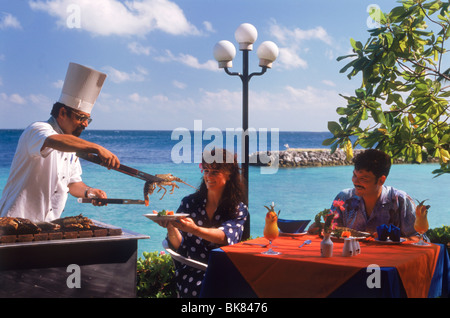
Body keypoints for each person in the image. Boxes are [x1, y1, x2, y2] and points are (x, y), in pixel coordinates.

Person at [0, 62, 120, 222]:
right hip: (12, 223)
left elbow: (72, 184)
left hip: (47, 225)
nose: (85, 124)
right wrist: (97, 148)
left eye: (88, 120)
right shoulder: (37, 129)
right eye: (81, 118)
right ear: (63, 112)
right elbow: (51, 141)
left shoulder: (72, 146)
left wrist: (91, 192)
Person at [154, 148, 248, 298]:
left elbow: (225, 237)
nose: (208, 176)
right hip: (192, 272)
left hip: (223, 272)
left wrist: (195, 229)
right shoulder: (189, 203)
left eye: (215, 172)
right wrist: (171, 227)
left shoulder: (237, 209)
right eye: (206, 170)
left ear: (229, 174)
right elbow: (179, 245)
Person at [326, 149, 416, 238]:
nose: (355, 181)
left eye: (363, 178)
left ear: (381, 180)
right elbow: (332, 232)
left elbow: (418, 238)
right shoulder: (344, 198)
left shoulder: (400, 200)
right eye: (354, 175)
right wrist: (320, 227)